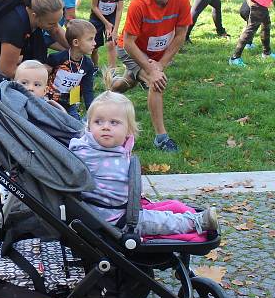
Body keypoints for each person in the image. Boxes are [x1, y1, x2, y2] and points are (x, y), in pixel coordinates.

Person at [69, 90, 217, 236]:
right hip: (113, 218)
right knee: (159, 221)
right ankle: (195, 222)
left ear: (129, 131)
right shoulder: (85, 152)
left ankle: (190, 217)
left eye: (114, 122)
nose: (105, 126)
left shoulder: (116, 147)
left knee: (162, 212)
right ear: (88, 127)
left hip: (125, 207)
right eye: (98, 122)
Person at [111, 0, 191, 152]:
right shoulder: (139, 3)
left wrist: (161, 64)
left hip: (157, 54)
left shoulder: (181, 0)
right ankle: (161, 138)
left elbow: (180, 35)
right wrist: (152, 69)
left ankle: (110, 91)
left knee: (130, 81)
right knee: (157, 81)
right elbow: (128, 42)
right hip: (130, 49)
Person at [45, 19, 96, 119]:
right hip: (50, 100)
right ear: (76, 42)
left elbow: (87, 89)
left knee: (75, 125)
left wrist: (91, 110)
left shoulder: (88, 64)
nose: (94, 43)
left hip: (70, 103)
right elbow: (43, 76)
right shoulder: (56, 58)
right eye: (90, 39)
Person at [89, 0, 126, 70]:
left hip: (111, 17)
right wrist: (106, 23)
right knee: (94, 46)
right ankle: (94, 67)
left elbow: (119, 9)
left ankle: (112, 70)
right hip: (97, 18)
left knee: (111, 43)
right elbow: (94, 7)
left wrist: (115, 29)